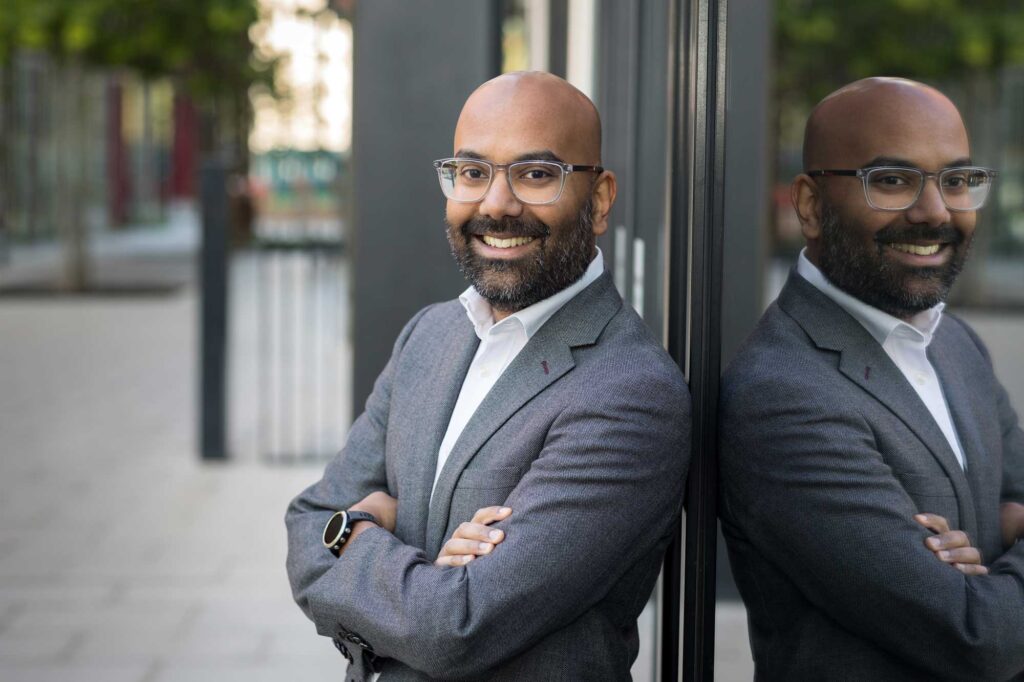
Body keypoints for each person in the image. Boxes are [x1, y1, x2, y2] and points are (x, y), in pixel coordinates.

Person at [286, 71, 690, 681]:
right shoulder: (430, 334)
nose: (496, 205)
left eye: (535, 174)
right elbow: (307, 522)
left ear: (600, 199)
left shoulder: (630, 392)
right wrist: (414, 562)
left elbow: (454, 627)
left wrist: (358, 533)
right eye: (473, 173)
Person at [719, 76, 1024, 681]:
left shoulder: (954, 342)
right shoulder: (781, 393)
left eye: (956, 181)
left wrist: (988, 551)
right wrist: (1000, 537)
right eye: (891, 181)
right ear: (809, 204)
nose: (935, 212)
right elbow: (975, 637)